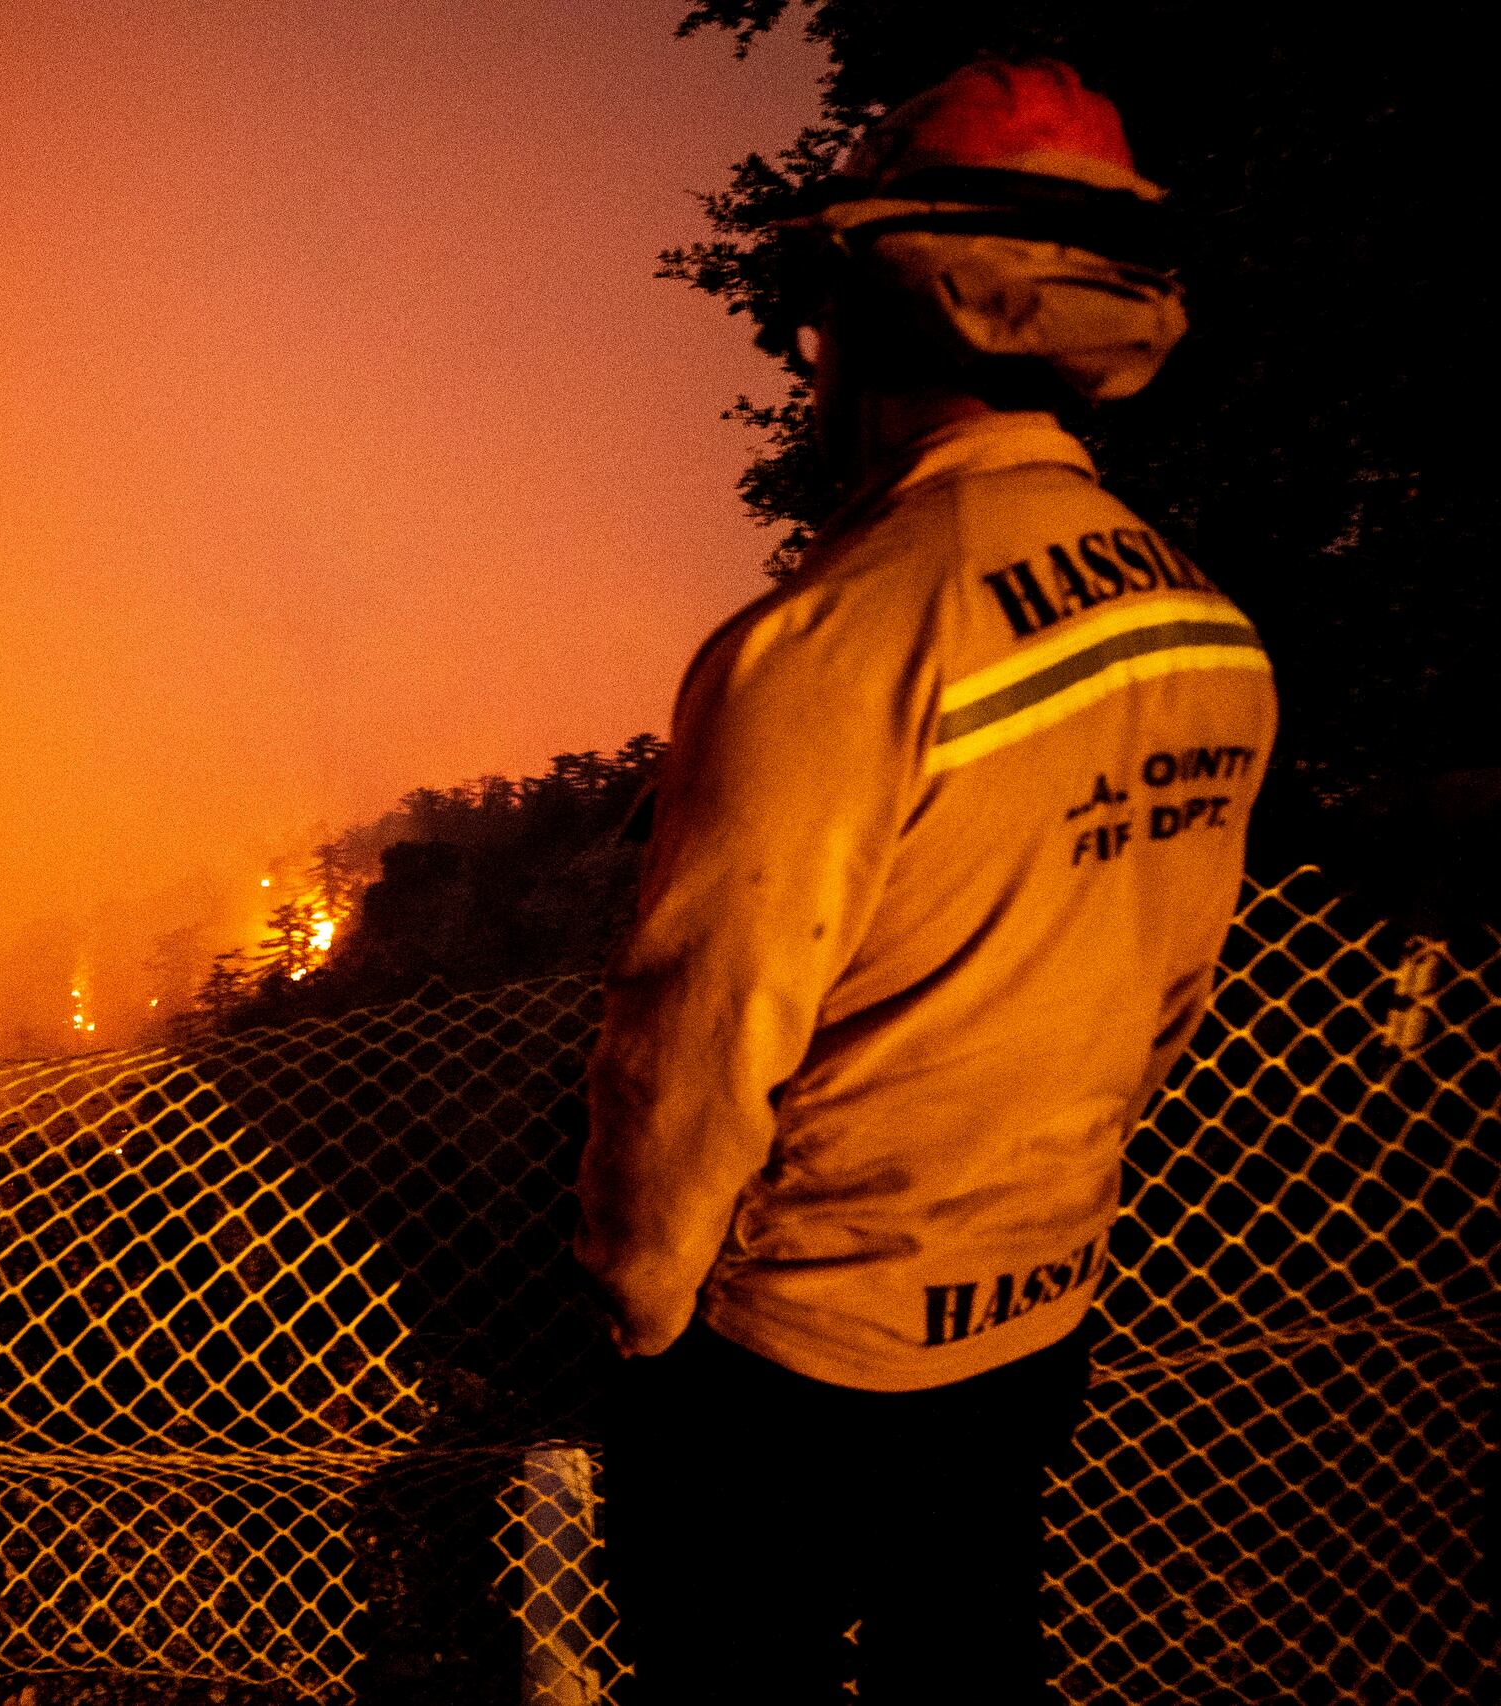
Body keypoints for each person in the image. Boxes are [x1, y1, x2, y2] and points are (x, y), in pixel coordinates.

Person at [577, 60, 1276, 1704]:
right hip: (1038, 1314)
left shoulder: (834, 640)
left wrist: (644, 1306)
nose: (807, 352)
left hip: (800, 1353)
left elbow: (710, 1024)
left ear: (896, 313)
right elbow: (1167, 992)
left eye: (822, 305)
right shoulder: (1210, 636)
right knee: (971, 1653)